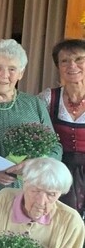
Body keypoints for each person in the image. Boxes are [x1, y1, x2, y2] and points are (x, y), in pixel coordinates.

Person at [0, 39, 60, 203]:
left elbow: (55, 147)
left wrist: (35, 165)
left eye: (12, 69)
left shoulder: (33, 104)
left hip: (29, 195)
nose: (4, 75)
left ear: (21, 73)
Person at [39, 39, 85, 214]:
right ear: (58, 66)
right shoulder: (48, 98)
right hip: (58, 170)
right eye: (64, 61)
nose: (72, 65)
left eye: (79, 59)